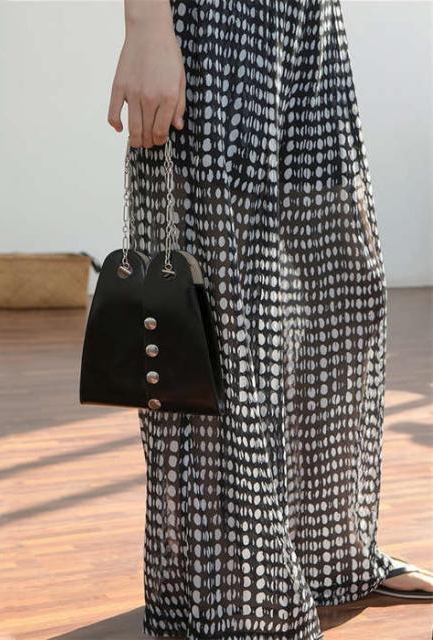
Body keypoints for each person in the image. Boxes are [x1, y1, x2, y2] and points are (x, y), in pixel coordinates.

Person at [106, 1, 433, 638]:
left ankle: (328, 556)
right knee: (225, 316)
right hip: (213, 24)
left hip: (310, 21)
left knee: (345, 288)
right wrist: (146, 26)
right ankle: (239, 596)